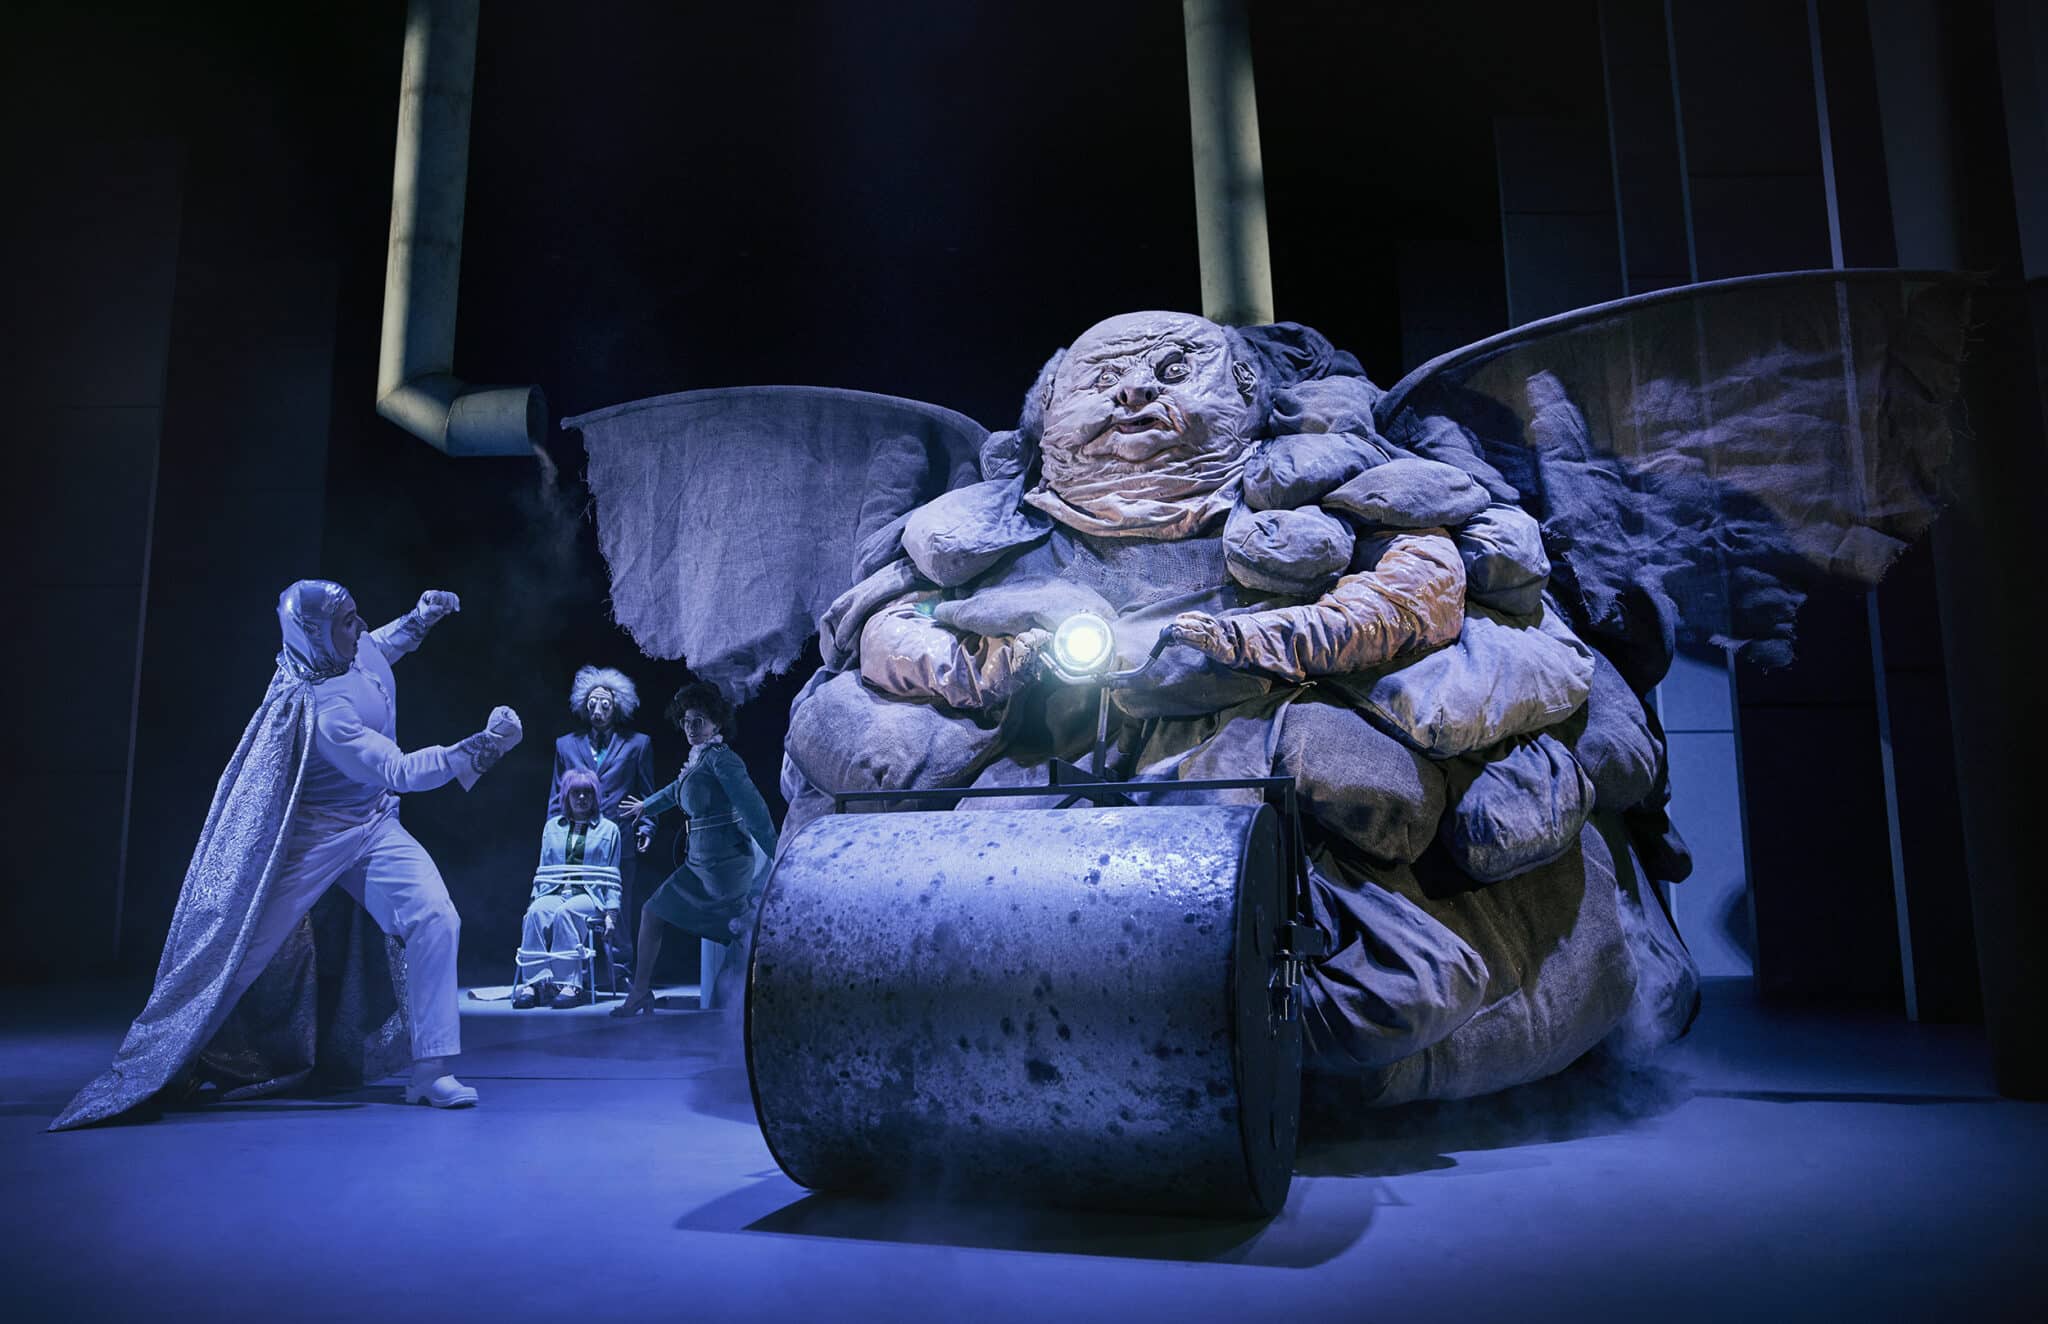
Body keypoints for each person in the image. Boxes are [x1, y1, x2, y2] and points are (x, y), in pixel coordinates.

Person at [51, 580, 522, 1128]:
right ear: (314, 635)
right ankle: (162, 1062)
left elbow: (382, 645)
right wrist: (484, 746)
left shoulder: (351, 649)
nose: (359, 626)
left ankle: (431, 1072)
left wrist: (421, 617)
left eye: (356, 613)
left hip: (373, 825)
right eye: (345, 621)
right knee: (240, 951)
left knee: (436, 916)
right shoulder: (323, 707)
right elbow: (398, 770)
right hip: (313, 838)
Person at [611, 682, 777, 1017]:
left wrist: (779, 854)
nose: (690, 727)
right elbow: (677, 789)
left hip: (726, 866)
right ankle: (640, 992)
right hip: (699, 864)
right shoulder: (700, 759)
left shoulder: (723, 760)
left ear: (717, 724)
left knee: (740, 932)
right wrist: (646, 806)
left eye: (699, 720)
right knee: (652, 911)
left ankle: (767, 996)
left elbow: (754, 809)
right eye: (686, 721)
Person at [547, 666, 656, 974]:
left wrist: (647, 826)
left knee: (618, 904)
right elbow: (557, 795)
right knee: (571, 900)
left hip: (618, 837)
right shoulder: (566, 745)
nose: (598, 711)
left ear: (617, 705)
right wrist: (552, 836)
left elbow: (647, 793)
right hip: (576, 839)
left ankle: (619, 968)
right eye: (592, 703)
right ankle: (574, 970)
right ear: (583, 704)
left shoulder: (638, 744)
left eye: (605, 704)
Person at [515, 768, 621, 1009]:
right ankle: (535, 983)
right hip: (554, 891)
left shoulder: (609, 830)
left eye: (587, 792)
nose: (582, 798)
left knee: (567, 913)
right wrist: (534, 899)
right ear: (566, 796)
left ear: (595, 796)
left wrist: (611, 914)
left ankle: (569, 984)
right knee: (536, 913)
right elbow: (543, 868)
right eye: (576, 793)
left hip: (589, 895)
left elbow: (613, 876)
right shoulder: (552, 827)